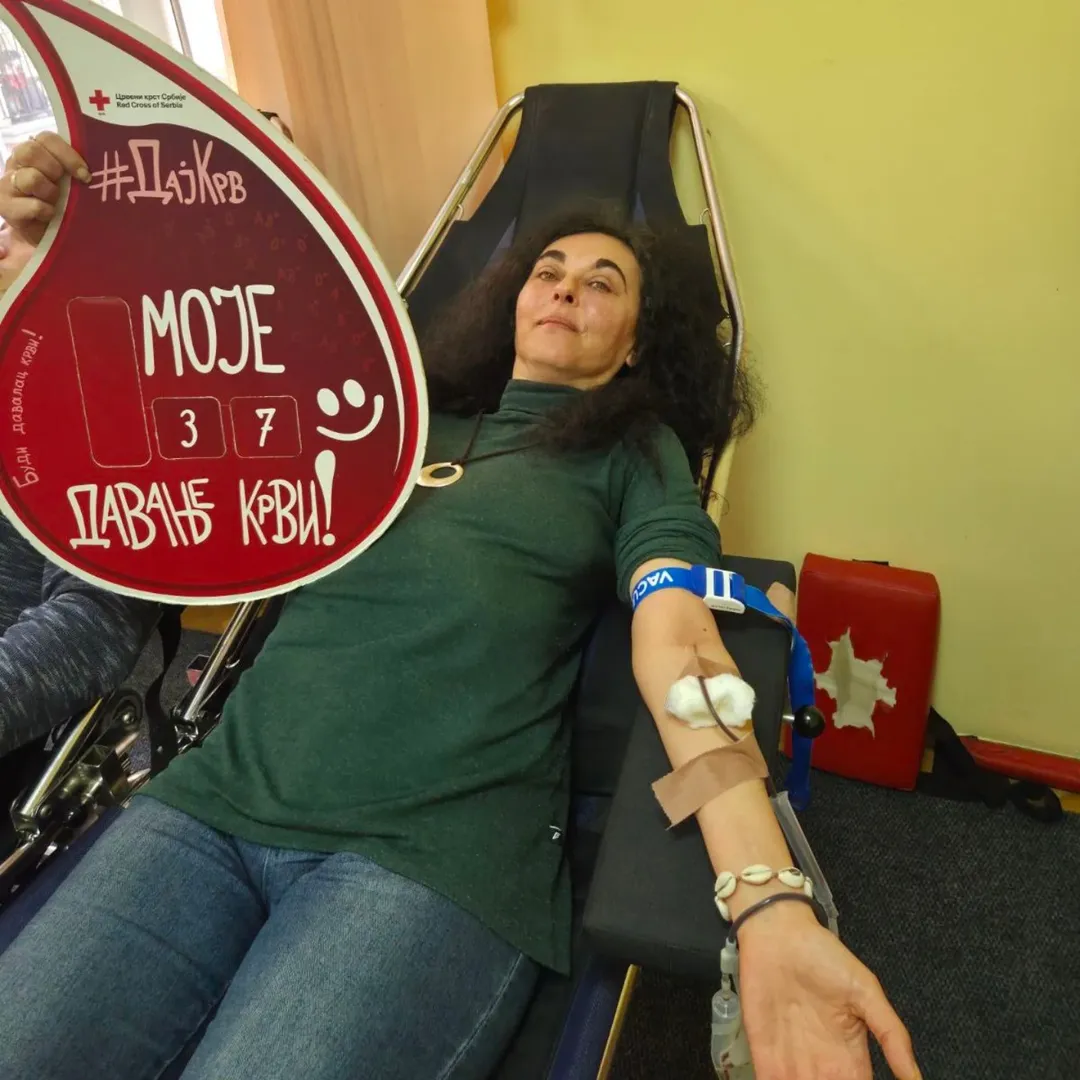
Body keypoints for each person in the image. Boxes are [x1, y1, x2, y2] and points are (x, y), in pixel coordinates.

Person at [0, 134, 921, 1080]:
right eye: (549, 271)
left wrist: (767, 896)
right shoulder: (388, 419)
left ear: (639, 342)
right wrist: (60, 268)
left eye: (602, 284)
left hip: (426, 859)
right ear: (512, 298)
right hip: (210, 803)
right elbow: (170, 420)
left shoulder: (633, 455)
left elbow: (681, 647)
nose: (565, 290)